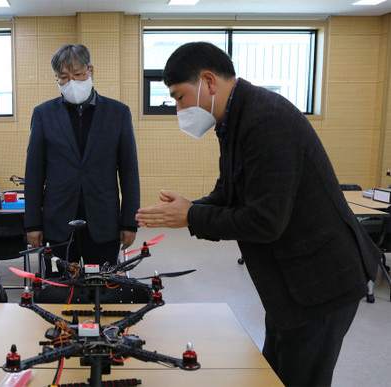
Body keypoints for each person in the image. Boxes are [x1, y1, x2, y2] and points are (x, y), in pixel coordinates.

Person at [135, 42, 381, 387]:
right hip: (288, 284)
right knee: (273, 372)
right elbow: (229, 192)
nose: (179, 109)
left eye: (179, 97)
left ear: (208, 82)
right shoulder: (235, 118)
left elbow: (264, 222)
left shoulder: (267, 120)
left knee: (300, 377)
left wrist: (191, 217)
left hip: (321, 282)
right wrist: (189, 209)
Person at [24, 44, 140, 277]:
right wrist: (33, 224)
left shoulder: (118, 113)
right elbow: (34, 174)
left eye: (78, 75)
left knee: (103, 288)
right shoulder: (43, 114)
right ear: (56, 78)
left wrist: (129, 222)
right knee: (58, 288)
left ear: (91, 71)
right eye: (64, 78)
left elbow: (129, 172)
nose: (72, 82)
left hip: (104, 221)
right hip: (57, 222)